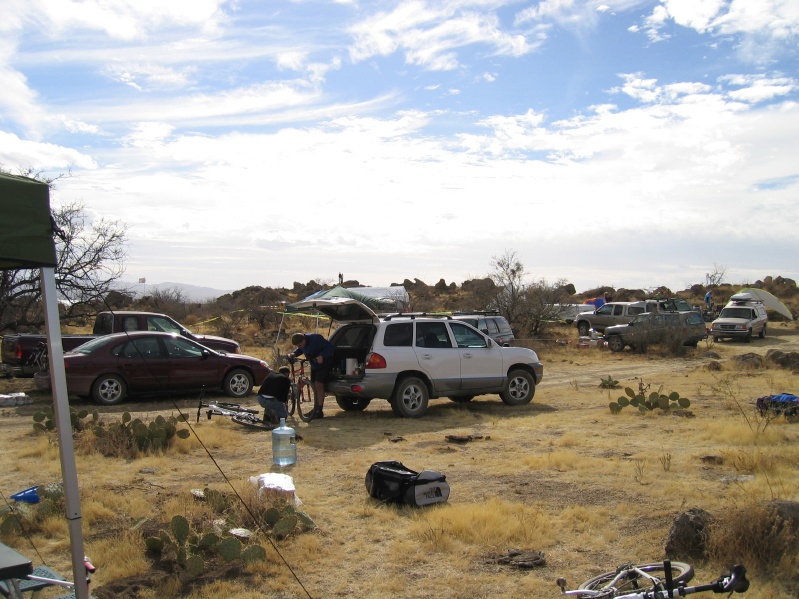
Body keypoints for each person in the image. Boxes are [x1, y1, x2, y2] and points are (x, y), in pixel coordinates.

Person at [290, 332, 334, 419]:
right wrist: (294, 354)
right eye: (298, 346)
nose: (300, 347)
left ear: (304, 339)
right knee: (314, 385)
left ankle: (319, 410)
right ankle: (316, 408)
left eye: (300, 344)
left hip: (325, 364)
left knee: (319, 385)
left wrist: (322, 356)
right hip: (314, 365)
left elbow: (330, 347)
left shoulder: (316, 339)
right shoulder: (302, 344)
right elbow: (301, 349)